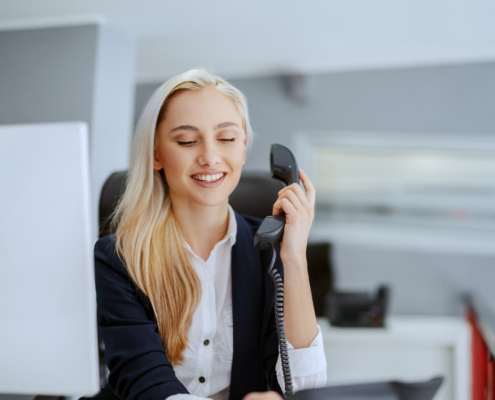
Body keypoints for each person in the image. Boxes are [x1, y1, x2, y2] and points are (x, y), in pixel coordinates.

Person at [94, 68, 327, 400]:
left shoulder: (269, 253)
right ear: (156, 154)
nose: (209, 157)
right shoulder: (119, 257)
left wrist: (294, 258)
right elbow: (144, 384)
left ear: (244, 147)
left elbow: (305, 388)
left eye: (227, 138)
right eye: (187, 140)